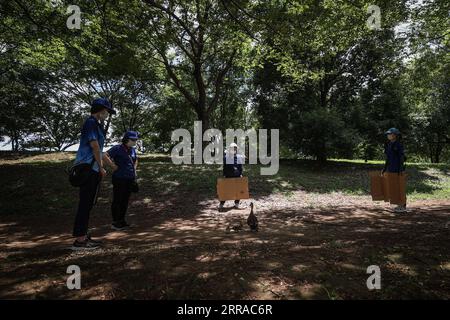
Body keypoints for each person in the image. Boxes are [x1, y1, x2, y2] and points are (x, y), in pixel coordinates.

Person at [71, 98, 117, 250]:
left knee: (88, 203)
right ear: (100, 110)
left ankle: (82, 235)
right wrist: (101, 167)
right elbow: (95, 147)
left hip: (92, 169)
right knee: (85, 204)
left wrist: (111, 165)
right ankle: (80, 240)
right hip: (88, 170)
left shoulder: (96, 125)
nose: (107, 114)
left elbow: (101, 150)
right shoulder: (91, 123)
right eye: (107, 111)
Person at [104, 131, 139, 230]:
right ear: (127, 139)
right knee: (118, 200)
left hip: (129, 179)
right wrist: (112, 166)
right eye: (133, 139)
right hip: (119, 179)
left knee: (125, 200)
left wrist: (134, 170)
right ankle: (115, 222)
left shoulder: (132, 150)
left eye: (136, 139)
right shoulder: (117, 148)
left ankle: (122, 221)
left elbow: (136, 159)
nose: (135, 141)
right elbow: (104, 155)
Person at [382, 127, 407, 213]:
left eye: (390, 134)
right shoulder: (389, 144)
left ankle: (403, 205)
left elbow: (401, 157)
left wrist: (401, 169)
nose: (388, 135)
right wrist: (385, 168)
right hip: (391, 168)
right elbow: (388, 158)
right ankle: (398, 204)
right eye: (388, 134)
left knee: (400, 187)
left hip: (398, 168)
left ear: (395, 135)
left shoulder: (399, 144)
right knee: (394, 187)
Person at [219, 142, 245, 211]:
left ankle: (237, 204)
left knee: (238, 191)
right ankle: (221, 204)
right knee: (225, 191)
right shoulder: (226, 157)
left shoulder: (239, 157)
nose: (234, 149)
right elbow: (224, 167)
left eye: (235, 148)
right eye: (232, 148)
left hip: (237, 176)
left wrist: (241, 174)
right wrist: (224, 175)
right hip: (228, 176)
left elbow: (240, 167)